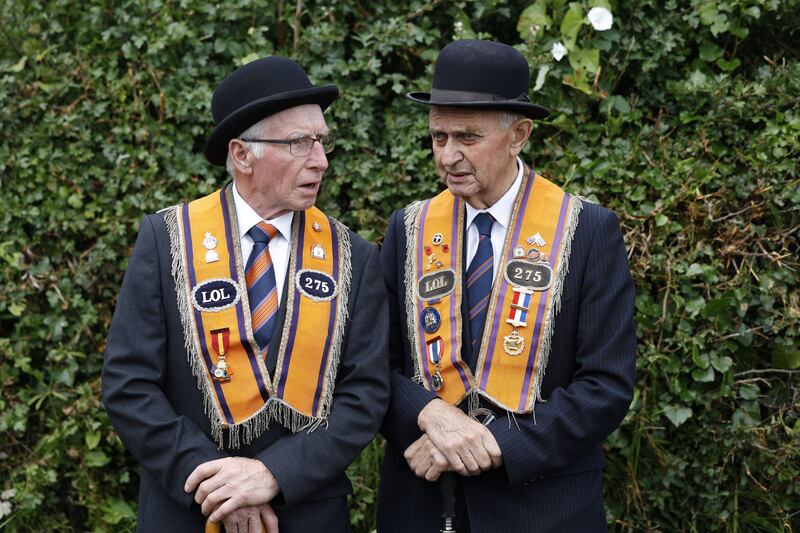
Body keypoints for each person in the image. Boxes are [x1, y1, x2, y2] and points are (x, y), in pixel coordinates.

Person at [102, 56, 390, 533]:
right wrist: (217, 485)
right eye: (298, 143)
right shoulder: (166, 240)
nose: (320, 160)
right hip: (189, 512)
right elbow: (128, 385)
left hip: (308, 513)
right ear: (241, 155)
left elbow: (365, 395)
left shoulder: (353, 256)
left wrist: (274, 474)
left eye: (322, 141)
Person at [376, 39, 636, 532]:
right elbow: (373, 364)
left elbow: (606, 385)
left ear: (519, 135)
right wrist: (428, 416)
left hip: (545, 509)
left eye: (467, 137)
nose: (448, 155)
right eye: (438, 137)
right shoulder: (408, 230)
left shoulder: (586, 231)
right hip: (422, 504)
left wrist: (493, 445)